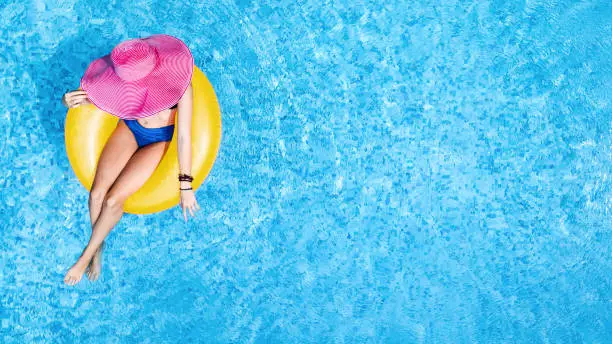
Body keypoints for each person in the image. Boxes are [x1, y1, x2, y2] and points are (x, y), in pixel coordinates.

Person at [62, 34, 200, 286]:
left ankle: (85, 256)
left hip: (158, 140)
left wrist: (185, 185)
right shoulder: (124, 78)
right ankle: (98, 248)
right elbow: (96, 97)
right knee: (96, 194)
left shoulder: (181, 87)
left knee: (114, 199)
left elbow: (184, 136)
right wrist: (67, 100)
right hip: (130, 128)